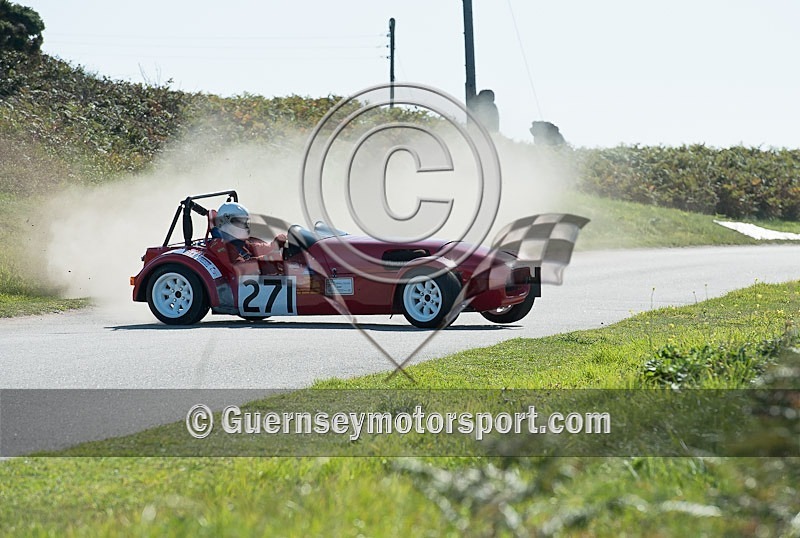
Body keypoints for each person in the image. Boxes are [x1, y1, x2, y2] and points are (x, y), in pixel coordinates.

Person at [212, 202, 286, 263]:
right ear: (226, 223)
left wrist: (277, 244)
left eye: (246, 222)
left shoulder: (238, 242)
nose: (246, 226)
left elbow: (258, 248)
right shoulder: (220, 246)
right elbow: (241, 268)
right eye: (241, 222)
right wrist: (269, 258)